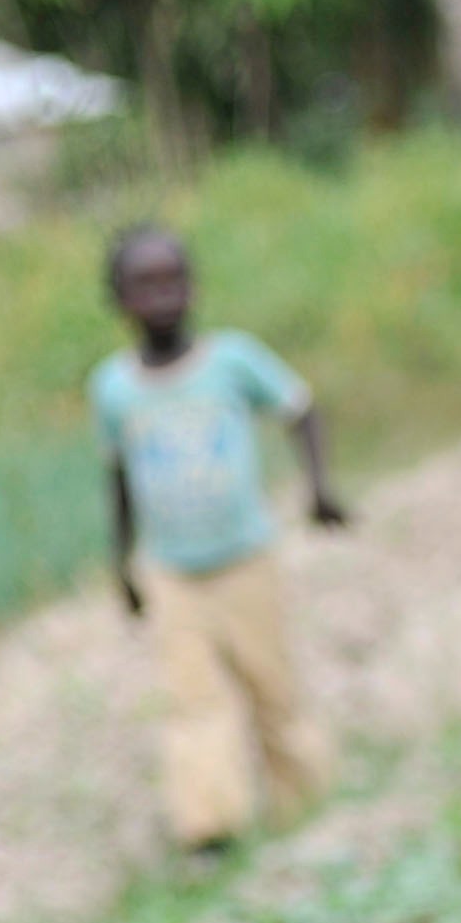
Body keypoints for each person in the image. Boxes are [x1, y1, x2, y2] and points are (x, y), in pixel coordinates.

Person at [95, 225, 346, 850]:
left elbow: (300, 407)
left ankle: (307, 804)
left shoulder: (232, 361)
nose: (161, 296)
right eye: (143, 285)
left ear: (193, 287)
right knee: (194, 701)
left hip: (245, 561)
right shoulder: (114, 388)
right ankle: (211, 827)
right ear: (120, 300)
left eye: (172, 280)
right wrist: (123, 564)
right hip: (172, 571)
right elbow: (119, 478)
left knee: (272, 687)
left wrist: (318, 487)